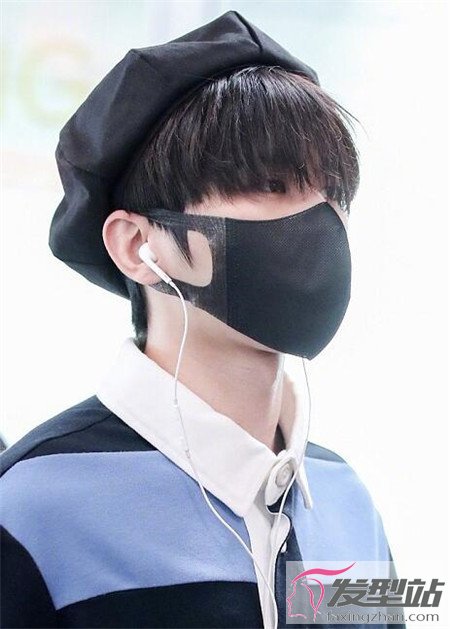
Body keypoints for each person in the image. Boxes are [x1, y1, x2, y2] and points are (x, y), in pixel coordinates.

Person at [0, 11, 404, 629]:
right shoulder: (35, 506)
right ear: (138, 245)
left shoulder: (346, 497)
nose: (321, 220)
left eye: (336, 193)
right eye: (271, 184)